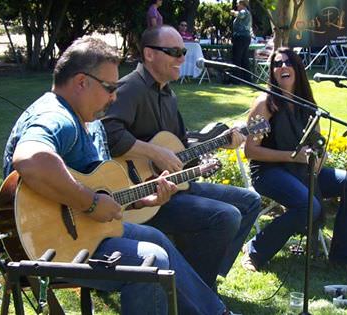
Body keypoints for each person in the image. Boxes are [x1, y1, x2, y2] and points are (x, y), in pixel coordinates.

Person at [2, 37, 229, 314]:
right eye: (109, 87)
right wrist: (91, 202)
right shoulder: (56, 116)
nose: (114, 96)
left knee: (155, 239)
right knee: (151, 260)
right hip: (50, 247)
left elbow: (102, 190)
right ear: (81, 82)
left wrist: (140, 201)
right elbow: (30, 159)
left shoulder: (89, 120)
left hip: (87, 234)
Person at [102, 26, 263, 290]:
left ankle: (197, 281)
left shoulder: (168, 95)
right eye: (174, 52)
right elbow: (109, 132)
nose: (181, 58)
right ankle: (194, 291)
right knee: (227, 215)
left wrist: (219, 142)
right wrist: (154, 152)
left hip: (174, 186)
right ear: (149, 54)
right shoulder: (130, 88)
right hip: (140, 199)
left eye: (183, 52)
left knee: (250, 201)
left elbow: (181, 148)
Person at [240, 48, 347, 273]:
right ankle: (255, 250)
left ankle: (343, 258)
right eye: (277, 64)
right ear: (272, 72)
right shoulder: (266, 104)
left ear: (298, 69)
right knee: (310, 205)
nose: (283, 67)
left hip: (301, 171)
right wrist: (291, 156)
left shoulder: (307, 104)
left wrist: (320, 157)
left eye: (288, 62)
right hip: (269, 172)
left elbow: (317, 142)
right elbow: (251, 150)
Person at [230, 0, 253, 83]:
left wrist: (233, 12)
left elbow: (240, 15)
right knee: (244, 59)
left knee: (237, 59)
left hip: (241, 38)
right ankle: (247, 80)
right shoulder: (247, 12)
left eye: (238, 4)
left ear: (242, 4)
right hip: (244, 38)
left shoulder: (244, 11)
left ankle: (235, 80)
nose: (236, 5)